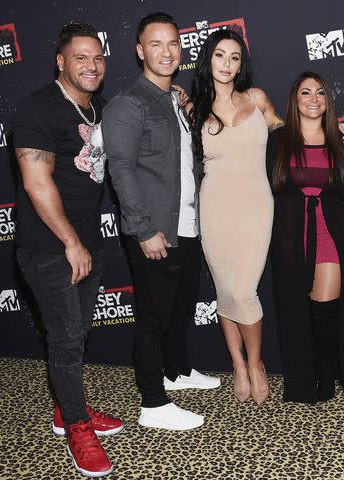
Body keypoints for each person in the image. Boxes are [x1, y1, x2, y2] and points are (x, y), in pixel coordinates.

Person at [11, 22, 123, 478]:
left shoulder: (96, 108)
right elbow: (37, 183)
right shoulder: (38, 108)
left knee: (75, 335)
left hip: (85, 241)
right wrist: (71, 243)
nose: (92, 66)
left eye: (97, 57)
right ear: (61, 61)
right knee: (64, 337)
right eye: (81, 57)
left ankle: (67, 408)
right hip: (51, 246)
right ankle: (76, 425)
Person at [103, 12, 219, 432]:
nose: (166, 52)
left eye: (173, 43)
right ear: (140, 51)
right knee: (153, 318)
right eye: (156, 44)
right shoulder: (128, 103)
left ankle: (178, 370)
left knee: (181, 308)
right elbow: (121, 169)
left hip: (186, 225)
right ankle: (153, 402)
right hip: (154, 230)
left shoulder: (174, 99)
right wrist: (143, 229)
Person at [188, 29, 282, 405]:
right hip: (215, 206)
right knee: (225, 289)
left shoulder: (256, 99)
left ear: (242, 64)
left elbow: (285, 128)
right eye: (220, 55)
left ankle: (256, 363)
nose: (227, 64)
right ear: (208, 59)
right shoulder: (192, 107)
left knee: (245, 290)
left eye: (234, 57)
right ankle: (238, 365)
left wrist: (329, 135)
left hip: (256, 205)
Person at [266, 71, 344, 406]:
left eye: (320, 93)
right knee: (295, 309)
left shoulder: (340, 140)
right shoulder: (278, 141)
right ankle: (302, 383)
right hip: (289, 232)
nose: (314, 99)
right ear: (295, 100)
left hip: (329, 231)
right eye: (306, 93)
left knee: (326, 310)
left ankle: (327, 374)